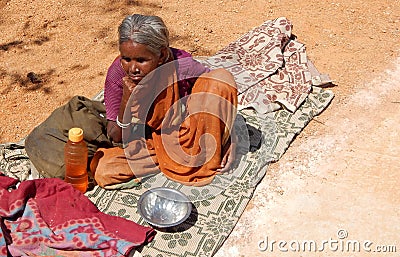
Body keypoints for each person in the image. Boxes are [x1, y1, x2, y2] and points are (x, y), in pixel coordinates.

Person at [90, 14, 238, 187]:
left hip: (193, 128)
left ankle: (204, 152)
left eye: (142, 60)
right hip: (154, 139)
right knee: (104, 169)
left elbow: (217, 97)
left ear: (162, 55)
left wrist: (230, 138)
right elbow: (116, 136)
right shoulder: (118, 75)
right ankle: (177, 159)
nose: (133, 68)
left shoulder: (181, 65)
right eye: (126, 59)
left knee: (221, 79)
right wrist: (126, 101)